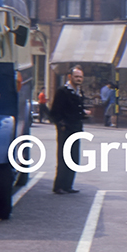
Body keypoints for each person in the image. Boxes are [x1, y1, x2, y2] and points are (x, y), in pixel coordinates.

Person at [51, 66, 90, 194]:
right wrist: (61, 125)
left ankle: (68, 185)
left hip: (76, 129)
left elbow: (77, 109)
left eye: (81, 77)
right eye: (76, 77)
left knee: (74, 158)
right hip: (66, 129)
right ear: (70, 77)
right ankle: (59, 186)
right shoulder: (62, 91)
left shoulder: (78, 92)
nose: (79, 79)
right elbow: (55, 112)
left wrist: (84, 113)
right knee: (63, 158)